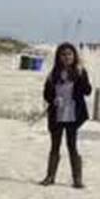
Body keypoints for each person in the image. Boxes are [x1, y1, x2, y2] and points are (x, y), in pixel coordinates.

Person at [39, 43, 92, 189]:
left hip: (73, 115)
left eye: (69, 54)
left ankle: (77, 179)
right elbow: (46, 94)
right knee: (55, 146)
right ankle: (50, 176)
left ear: (74, 56)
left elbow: (88, 91)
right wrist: (53, 100)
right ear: (58, 57)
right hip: (57, 115)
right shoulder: (53, 73)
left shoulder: (80, 71)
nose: (66, 57)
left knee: (72, 145)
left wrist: (81, 75)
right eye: (63, 54)